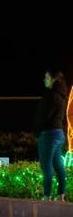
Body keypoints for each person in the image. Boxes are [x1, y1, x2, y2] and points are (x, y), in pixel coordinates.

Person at [35, 69, 68, 201]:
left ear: (53, 79)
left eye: (47, 77)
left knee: (46, 165)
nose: (44, 80)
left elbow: (45, 116)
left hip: (49, 134)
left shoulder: (51, 95)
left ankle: (47, 196)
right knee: (58, 165)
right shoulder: (61, 94)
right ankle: (61, 195)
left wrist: (37, 130)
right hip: (59, 133)